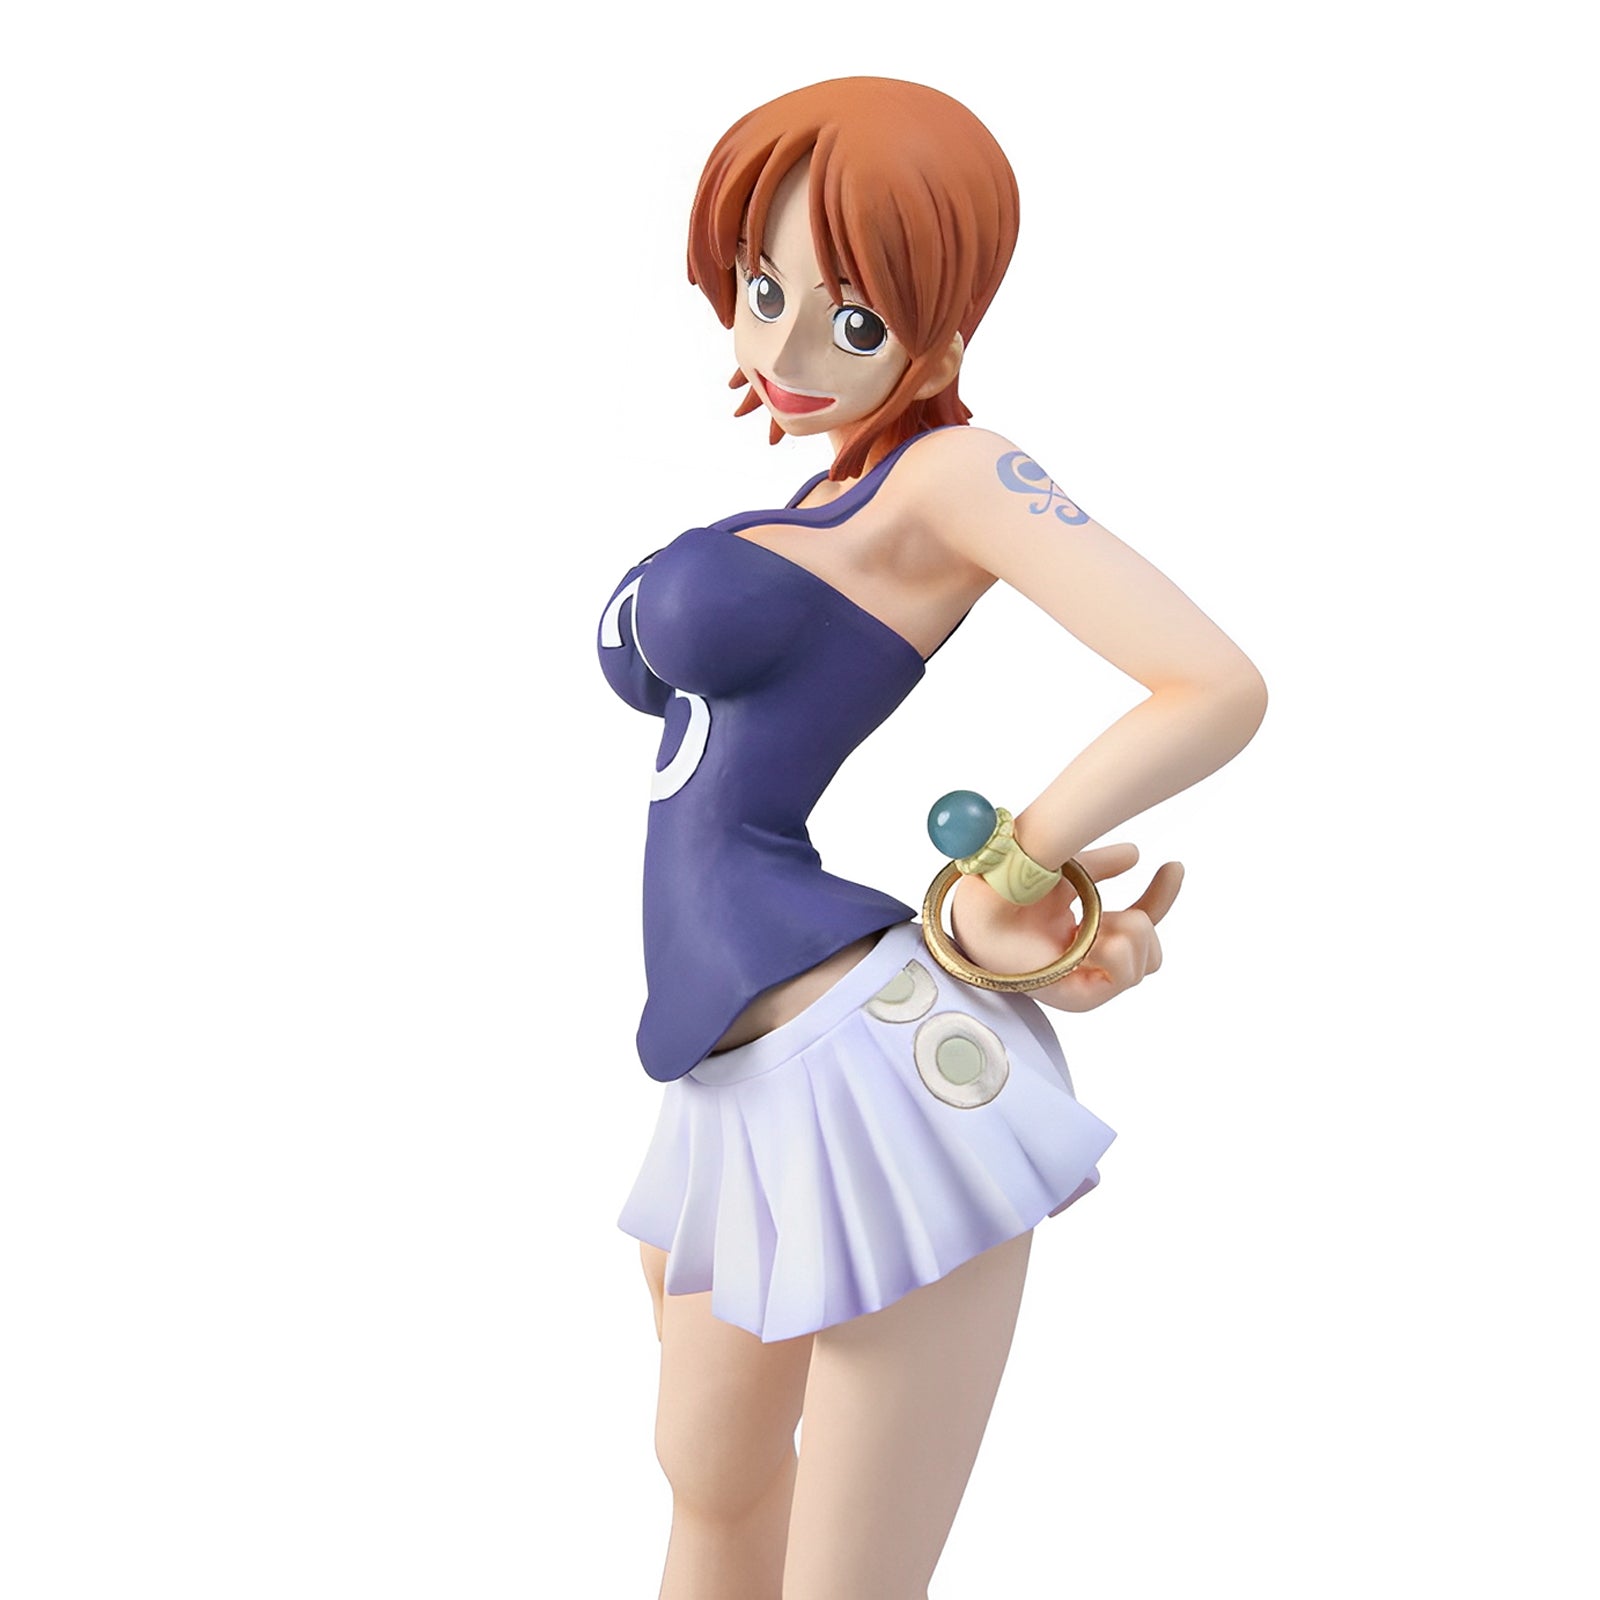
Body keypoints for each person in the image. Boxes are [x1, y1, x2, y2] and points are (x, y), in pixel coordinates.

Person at [596, 77, 1267, 1600]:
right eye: (763, 292)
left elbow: (1213, 683)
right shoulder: (829, 487)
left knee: (850, 1572)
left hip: (871, 1071)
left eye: (850, 318)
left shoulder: (956, 474)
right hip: (725, 1070)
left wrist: (1014, 868)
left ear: (943, 332)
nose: (782, 353)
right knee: (708, 1491)